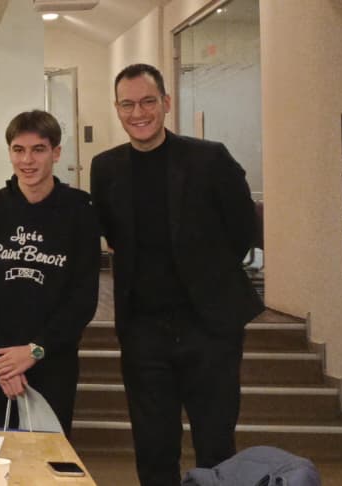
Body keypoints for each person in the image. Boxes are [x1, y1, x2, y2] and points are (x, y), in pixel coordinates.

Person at [91, 63, 262, 485]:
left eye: (148, 101)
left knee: (215, 443)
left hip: (209, 326)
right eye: (127, 104)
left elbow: (243, 229)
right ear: (117, 109)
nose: (138, 113)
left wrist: (207, 275)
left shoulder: (210, 159)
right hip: (143, 329)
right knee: (152, 445)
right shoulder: (105, 168)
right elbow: (112, 233)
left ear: (166, 103)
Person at [0, 111, 99, 435]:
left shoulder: (80, 211)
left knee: (47, 458)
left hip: (52, 363)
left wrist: (35, 350)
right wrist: (5, 365)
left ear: (56, 153)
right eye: (18, 150)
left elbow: (83, 298)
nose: (27, 160)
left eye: (38, 149)